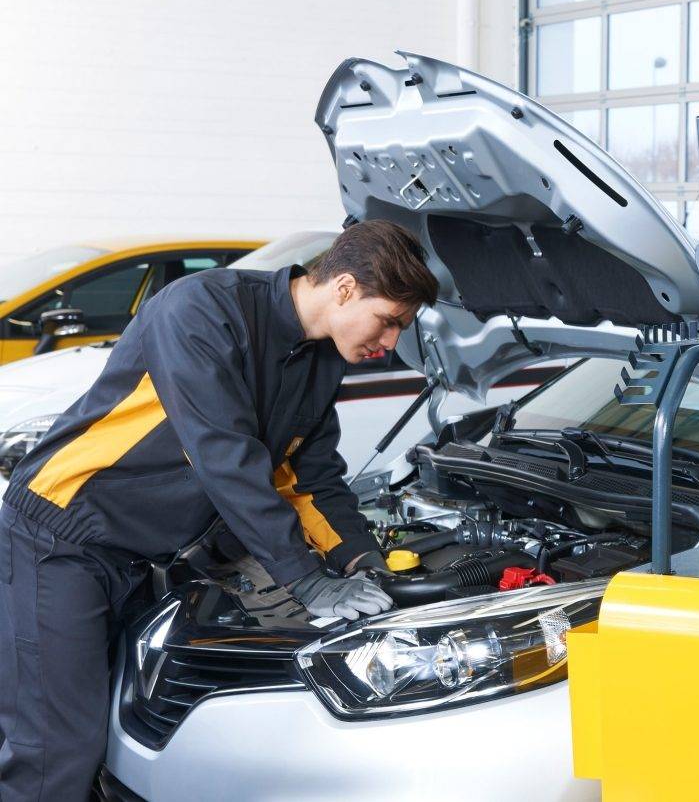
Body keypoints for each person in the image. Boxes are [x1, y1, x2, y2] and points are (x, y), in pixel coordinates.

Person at [0, 219, 439, 799]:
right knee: (54, 748)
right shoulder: (202, 310)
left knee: (113, 732)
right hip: (61, 539)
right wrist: (307, 582)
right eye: (390, 322)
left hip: (143, 556)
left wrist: (362, 563)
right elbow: (222, 454)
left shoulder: (318, 360)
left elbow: (310, 481)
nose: (390, 345)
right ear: (345, 288)